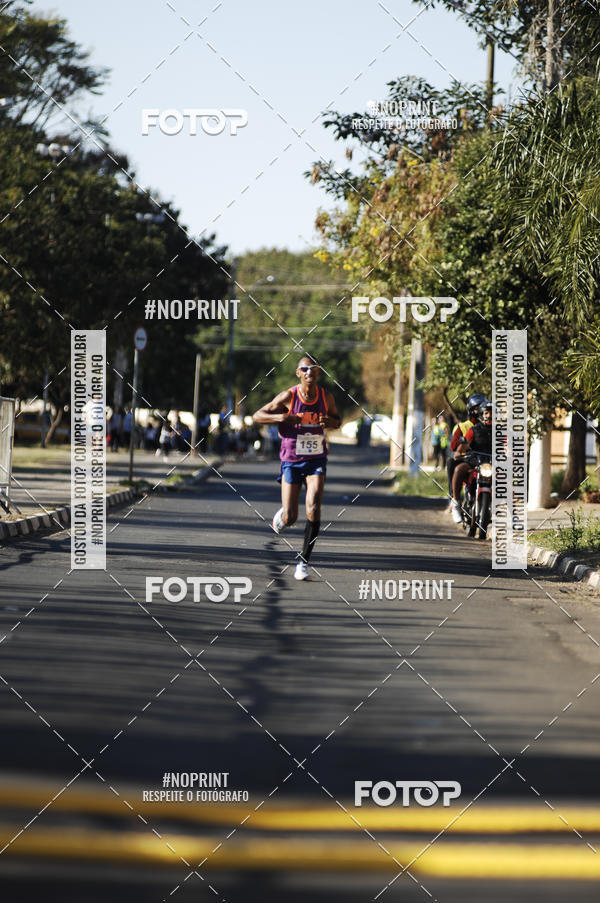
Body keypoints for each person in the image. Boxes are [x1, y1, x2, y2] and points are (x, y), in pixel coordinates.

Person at [252, 354, 341, 580]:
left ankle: (303, 562)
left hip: (316, 458)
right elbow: (257, 415)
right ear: (298, 373)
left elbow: (337, 421)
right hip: (291, 458)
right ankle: (282, 517)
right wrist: (283, 417)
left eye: (314, 368)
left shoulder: (326, 397)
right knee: (291, 516)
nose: (309, 372)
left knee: (313, 505)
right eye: (305, 369)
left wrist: (328, 422)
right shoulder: (288, 396)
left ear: (319, 373)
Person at [450, 400, 493, 523]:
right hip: (475, 461)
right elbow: (464, 445)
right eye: (486, 413)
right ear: (481, 414)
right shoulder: (473, 430)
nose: (489, 416)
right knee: (459, 469)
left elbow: (507, 446)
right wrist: (458, 452)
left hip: (495, 463)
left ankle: (514, 516)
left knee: (509, 481)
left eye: (491, 413)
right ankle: (456, 505)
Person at [447, 393, 486, 510]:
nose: (482, 411)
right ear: (472, 410)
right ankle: (455, 500)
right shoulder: (464, 426)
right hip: (468, 460)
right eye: (478, 408)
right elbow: (454, 446)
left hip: (485, 460)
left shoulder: (490, 426)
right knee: (452, 464)